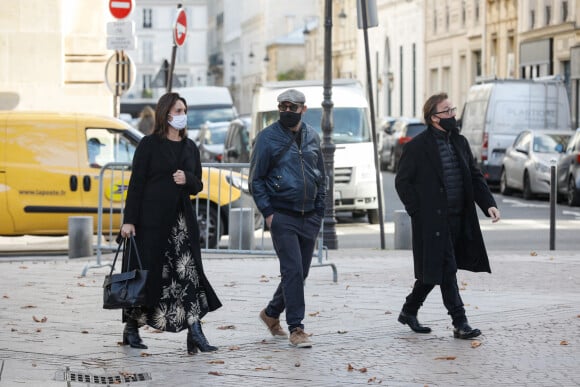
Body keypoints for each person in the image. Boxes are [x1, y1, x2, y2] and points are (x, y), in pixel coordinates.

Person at [119, 92, 222, 354]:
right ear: (166, 114)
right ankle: (131, 328)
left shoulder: (190, 147)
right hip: (150, 223)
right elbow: (137, 184)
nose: (182, 115)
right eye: (178, 110)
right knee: (148, 277)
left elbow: (197, 184)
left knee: (189, 276)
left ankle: (195, 332)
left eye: (184, 110)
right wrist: (129, 221)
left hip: (181, 224)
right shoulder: (149, 145)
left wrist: (186, 178)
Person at [395, 92, 501, 339]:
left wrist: (488, 205)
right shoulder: (416, 147)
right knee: (447, 269)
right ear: (434, 117)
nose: (453, 115)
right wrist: (417, 212)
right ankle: (460, 322)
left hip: (458, 219)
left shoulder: (460, 143)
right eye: (448, 111)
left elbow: (474, 176)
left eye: (453, 110)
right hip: (431, 222)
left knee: (435, 270)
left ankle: (409, 311)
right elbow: (402, 183)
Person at [249, 89, 326, 348]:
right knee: (292, 270)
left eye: (293, 107)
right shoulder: (267, 138)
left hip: (309, 216)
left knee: (300, 272)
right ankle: (297, 328)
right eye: (283, 106)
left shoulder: (313, 136)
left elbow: (321, 176)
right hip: (282, 215)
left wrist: (319, 211)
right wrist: (269, 213)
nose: (287, 111)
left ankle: (271, 313)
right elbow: (256, 180)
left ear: (304, 109)